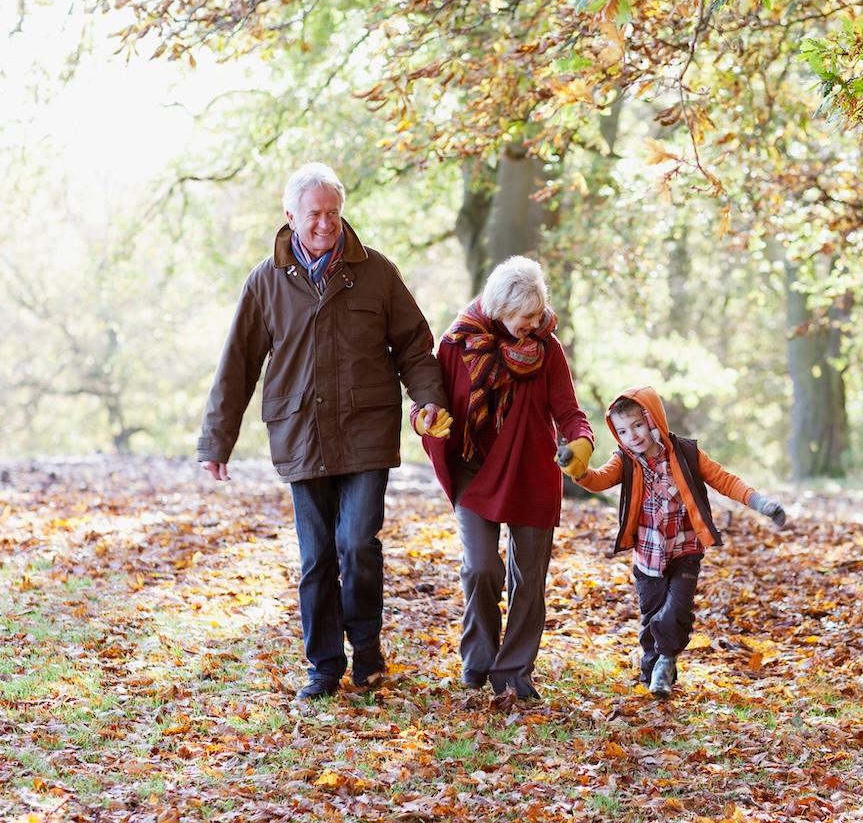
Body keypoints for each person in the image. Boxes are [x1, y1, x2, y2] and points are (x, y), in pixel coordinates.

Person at [197, 162, 451, 701]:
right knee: (317, 558)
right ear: (290, 216)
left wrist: (428, 399)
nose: (325, 223)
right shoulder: (266, 281)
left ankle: (366, 652)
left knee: (358, 543)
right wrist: (216, 441)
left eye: (334, 213)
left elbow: (413, 346)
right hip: (299, 433)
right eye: (314, 214)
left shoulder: (376, 272)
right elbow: (237, 365)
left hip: (366, 431)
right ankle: (323, 666)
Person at [419, 256, 593, 700]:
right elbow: (430, 402)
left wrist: (581, 441)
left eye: (539, 315)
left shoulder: (547, 349)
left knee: (529, 577)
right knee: (481, 567)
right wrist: (426, 420)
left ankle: (515, 671)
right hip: (474, 471)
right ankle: (478, 661)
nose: (534, 326)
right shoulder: (457, 344)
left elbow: (569, 412)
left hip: (532, 470)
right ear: (498, 309)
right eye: (524, 318)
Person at [566, 386, 787, 698]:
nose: (633, 436)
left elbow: (725, 480)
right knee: (650, 622)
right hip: (647, 558)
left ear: (653, 418)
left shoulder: (685, 453)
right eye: (624, 431)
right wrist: (578, 470)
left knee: (675, 612)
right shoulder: (625, 461)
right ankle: (654, 674)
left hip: (684, 551)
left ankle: (667, 659)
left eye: (638, 425)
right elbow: (598, 479)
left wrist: (761, 503)